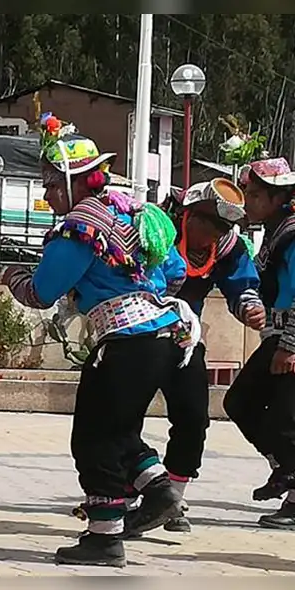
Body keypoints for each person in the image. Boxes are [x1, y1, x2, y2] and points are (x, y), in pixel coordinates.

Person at [2, 113, 198, 568]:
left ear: (74, 183)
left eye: (52, 185)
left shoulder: (80, 225)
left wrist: (14, 273)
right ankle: (160, 491)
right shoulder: (135, 211)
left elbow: (41, 291)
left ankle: (105, 538)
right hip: (160, 334)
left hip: (125, 342)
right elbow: (174, 272)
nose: (47, 194)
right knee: (118, 428)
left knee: (93, 438)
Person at [119, 179, 264, 537]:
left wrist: (249, 305)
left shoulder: (228, 247)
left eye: (224, 227)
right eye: (210, 224)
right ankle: (123, 494)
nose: (215, 234)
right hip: (135, 333)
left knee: (193, 417)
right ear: (188, 214)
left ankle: (173, 500)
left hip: (184, 336)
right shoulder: (154, 228)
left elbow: (241, 283)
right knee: (122, 414)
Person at [224, 157, 295, 530]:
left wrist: (290, 346)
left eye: (253, 195)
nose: (247, 201)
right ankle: (286, 469)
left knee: (285, 419)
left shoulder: (292, 233)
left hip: (290, 339)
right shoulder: (275, 230)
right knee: (241, 403)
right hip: (278, 336)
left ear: (277, 197)